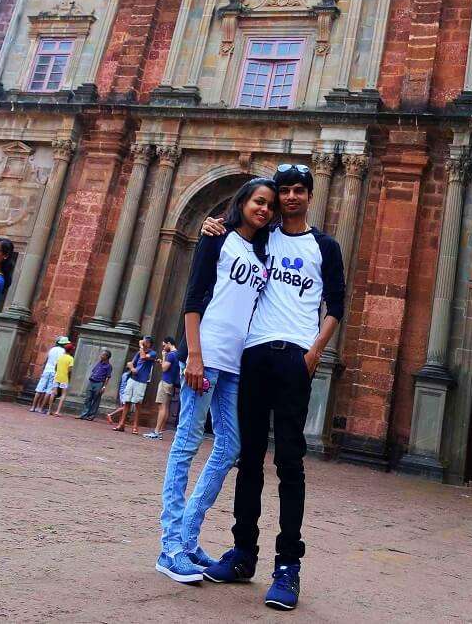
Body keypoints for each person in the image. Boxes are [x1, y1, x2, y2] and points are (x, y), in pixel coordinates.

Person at [202, 164, 345, 611]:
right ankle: (244, 552)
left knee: (289, 461)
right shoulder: (262, 239)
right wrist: (214, 224)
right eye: (284, 191)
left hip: (294, 358)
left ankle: (287, 567)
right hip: (254, 353)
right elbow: (234, 237)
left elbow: (337, 302)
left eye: (299, 190)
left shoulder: (325, 246)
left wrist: (315, 350)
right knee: (248, 457)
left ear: (309, 195)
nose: (290, 198)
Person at [156, 178, 276, 585]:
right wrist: (194, 354)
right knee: (187, 443)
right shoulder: (216, 237)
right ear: (242, 202)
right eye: (258, 201)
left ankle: (188, 537)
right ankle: (169, 546)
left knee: (230, 446)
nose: (264, 209)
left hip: (237, 364)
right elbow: (194, 297)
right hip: (205, 357)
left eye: (269, 206)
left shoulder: (262, 253)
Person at [113, 336, 157, 434]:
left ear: (149, 344)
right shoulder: (138, 353)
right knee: (126, 402)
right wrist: (132, 368)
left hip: (141, 381)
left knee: (137, 404)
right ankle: (121, 424)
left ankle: (135, 426)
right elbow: (131, 363)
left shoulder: (152, 353)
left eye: (145, 342)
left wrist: (141, 346)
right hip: (132, 379)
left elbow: (143, 357)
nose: (143, 343)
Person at [144, 337, 179, 441]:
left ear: (169, 343)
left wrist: (164, 357)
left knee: (162, 407)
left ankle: (156, 431)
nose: (163, 347)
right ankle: (160, 430)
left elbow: (164, 368)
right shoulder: (178, 354)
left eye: (164, 345)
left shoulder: (170, 354)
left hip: (166, 382)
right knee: (166, 407)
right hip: (171, 383)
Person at [30, 335, 70, 414]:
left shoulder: (52, 349)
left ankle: (33, 407)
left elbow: (46, 360)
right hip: (54, 371)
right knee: (49, 391)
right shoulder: (63, 352)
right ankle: (41, 408)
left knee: (39, 389)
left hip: (46, 370)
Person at [76, 350, 113, 420]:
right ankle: (84, 414)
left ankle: (91, 415)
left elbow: (108, 377)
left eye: (103, 355)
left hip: (99, 383)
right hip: (92, 381)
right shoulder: (99, 363)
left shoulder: (108, 366)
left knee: (96, 400)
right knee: (88, 398)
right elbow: (94, 371)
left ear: (106, 357)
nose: (101, 356)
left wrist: (104, 386)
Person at [48, 341, 75, 416]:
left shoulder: (60, 357)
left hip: (57, 376)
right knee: (63, 394)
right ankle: (57, 411)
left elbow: (56, 367)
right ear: (70, 350)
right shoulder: (71, 358)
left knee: (53, 392)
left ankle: (49, 410)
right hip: (64, 377)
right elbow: (70, 370)